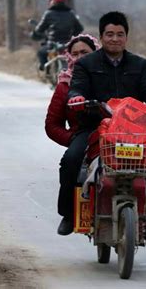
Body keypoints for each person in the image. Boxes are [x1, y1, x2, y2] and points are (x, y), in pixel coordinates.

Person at [65, 11, 146, 239]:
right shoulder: (86, 64)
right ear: (102, 37)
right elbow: (77, 87)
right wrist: (76, 98)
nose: (115, 39)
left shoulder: (140, 64)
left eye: (120, 34)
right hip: (95, 128)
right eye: (110, 34)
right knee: (71, 159)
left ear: (126, 37)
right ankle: (67, 214)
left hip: (131, 131)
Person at [44, 34, 100, 234]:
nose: (79, 58)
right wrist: (72, 139)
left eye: (84, 52)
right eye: (74, 54)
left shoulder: (108, 75)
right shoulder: (64, 85)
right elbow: (52, 124)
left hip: (116, 130)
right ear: (68, 57)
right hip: (83, 134)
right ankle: (68, 215)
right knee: (70, 161)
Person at [32, 0, 84, 71]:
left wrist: (35, 33)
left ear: (53, 1)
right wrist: (72, 36)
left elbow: (40, 28)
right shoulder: (71, 13)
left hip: (53, 44)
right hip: (68, 44)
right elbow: (80, 28)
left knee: (41, 53)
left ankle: (46, 69)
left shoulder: (49, 13)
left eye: (50, 1)